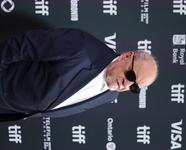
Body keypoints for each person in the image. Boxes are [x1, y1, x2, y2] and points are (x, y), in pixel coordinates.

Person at [0, 28, 158, 121]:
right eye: (131, 76)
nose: (126, 85)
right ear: (126, 57)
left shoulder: (110, 96)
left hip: (8, 112)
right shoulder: (83, 47)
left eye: (135, 87)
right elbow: (22, 46)